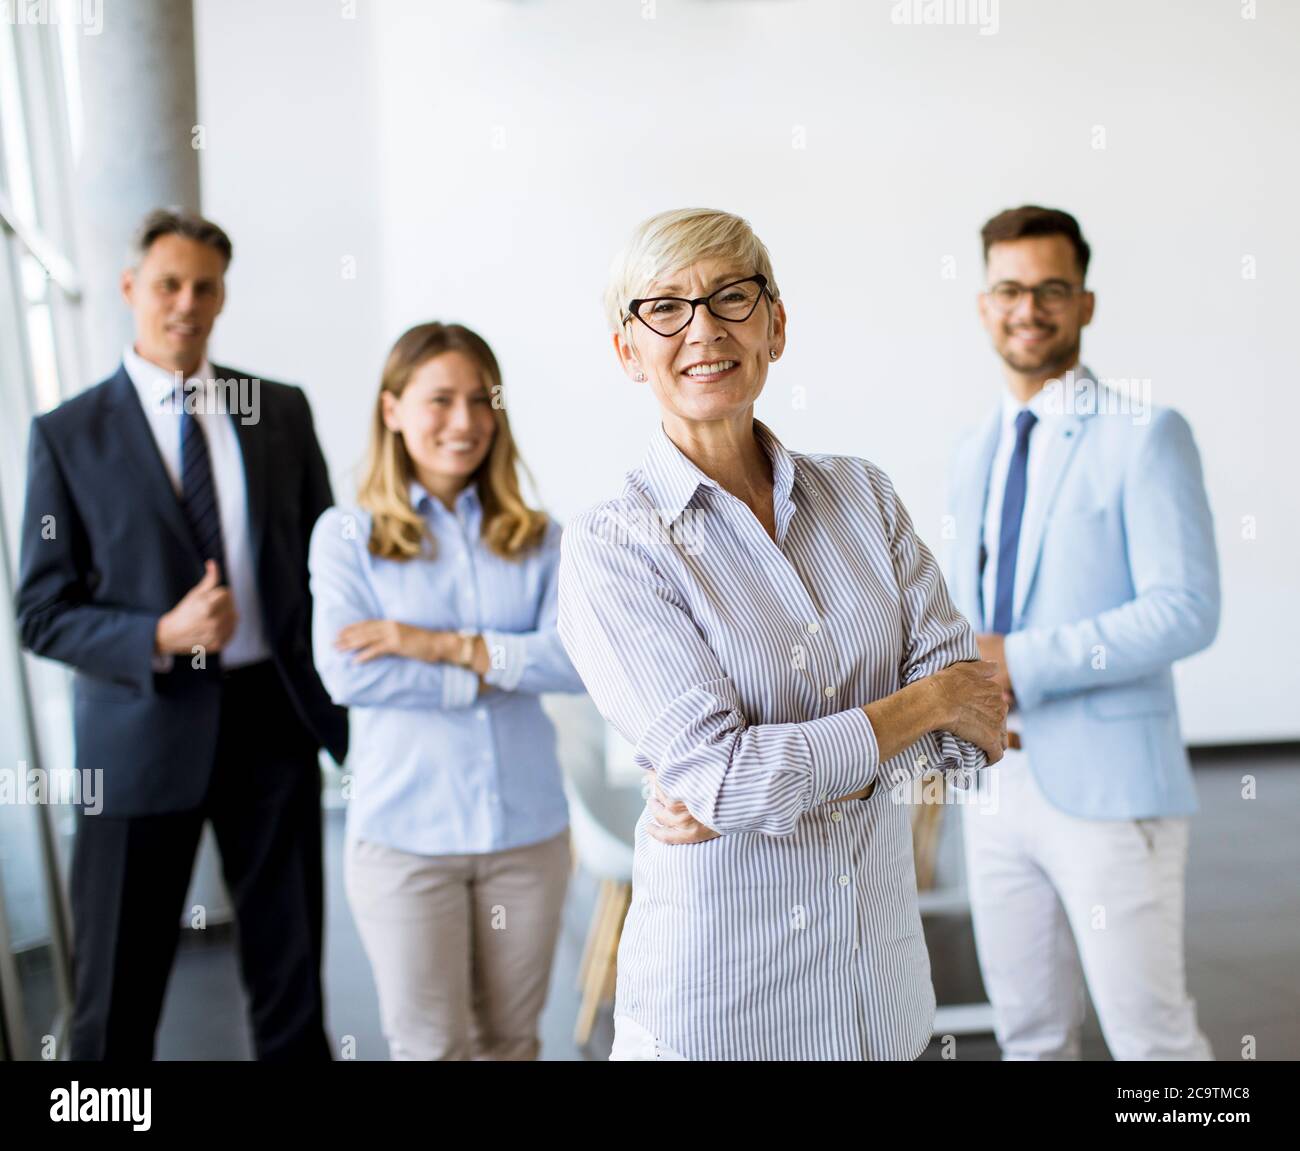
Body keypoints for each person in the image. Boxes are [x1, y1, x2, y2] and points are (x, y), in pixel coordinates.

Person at [557, 207, 1008, 1061]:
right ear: (627, 350)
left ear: (776, 325)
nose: (704, 329)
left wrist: (772, 776)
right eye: (666, 307)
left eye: (732, 296)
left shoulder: (863, 496)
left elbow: (971, 735)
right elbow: (730, 783)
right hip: (729, 1015)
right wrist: (926, 703)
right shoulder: (612, 545)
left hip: (885, 1004)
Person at [16, 208, 347, 1060]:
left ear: (223, 295)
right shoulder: (67, 434)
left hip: (270, 727)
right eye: (168, 284)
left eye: (204, 286)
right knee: (113, 1004)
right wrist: (161, 630)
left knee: (293, 982)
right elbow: (41, 610)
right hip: (139, 736)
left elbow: (323, 578)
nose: (186, 303)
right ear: (130, 289)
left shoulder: (279, 411)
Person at [943, 204, 1219, 1060]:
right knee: (1030, 1034)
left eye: (1052, 289)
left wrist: (1014, 661)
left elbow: (1186, 609)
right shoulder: (975, 447)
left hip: (1108, 794)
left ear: (1086, 303)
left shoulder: (1147, 434)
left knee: (1154, 1041)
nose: (1030, 308)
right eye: (1011, 289)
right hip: (996, 787)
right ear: (985, 303)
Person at [309, 322, 585, 1060]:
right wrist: (497, 667)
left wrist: (433, 643)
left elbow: (577, 664)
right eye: (439, 400)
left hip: (525, 838)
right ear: (392, 409)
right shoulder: (346, 536)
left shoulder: (542, 537)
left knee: (511, 1043)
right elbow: (349, 673)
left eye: (479, 400)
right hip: (405, 843)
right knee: (431, 1048)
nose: (463, 422)